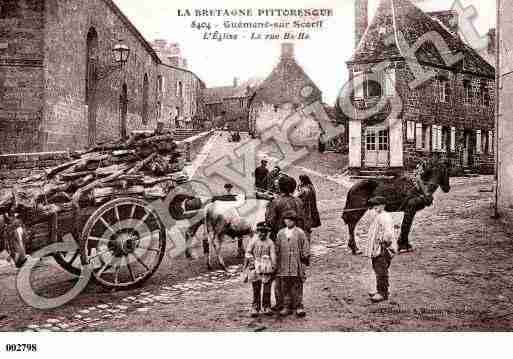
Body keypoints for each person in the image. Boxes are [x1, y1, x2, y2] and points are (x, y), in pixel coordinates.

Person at [274, 210, 310, 317]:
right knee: (285, 286)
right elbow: (277, 249)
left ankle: (299, 306)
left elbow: (305, 248)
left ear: (294, 221)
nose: (288, 222)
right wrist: (276, 261)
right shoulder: (280, 233)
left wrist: (303, 263)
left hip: (296, 264)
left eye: (291, 220)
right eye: (286, 220)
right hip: (284, 265)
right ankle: (286, 306)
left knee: (297, 285)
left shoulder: (300, 233)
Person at [242, 222, 277, 317]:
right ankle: (255, 307)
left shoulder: (270, 242)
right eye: (261, 231)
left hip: (266, 266)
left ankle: (266, 306)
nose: (263, 234)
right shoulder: (254, 240)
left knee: (267, 288)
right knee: (256, 288)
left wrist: (274, 265)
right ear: (257, 231)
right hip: (256, 265)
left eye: (265, 232)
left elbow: (273, 254)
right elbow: (248, 252)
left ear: (268, 232)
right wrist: (250, 261)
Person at [366, 196, 395, 303]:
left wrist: (384, 244)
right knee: (378, 269)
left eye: (377, 206)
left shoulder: (384, 217)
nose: (375, 208)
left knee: (381, 270)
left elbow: (388, 233)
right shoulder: (380, 216)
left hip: (382, 249)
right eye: (374, 206)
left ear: (383, 205)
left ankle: (383, 293)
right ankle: (380, 290)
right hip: (377, 248)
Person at [296, 175, 321, 242]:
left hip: (306, 209)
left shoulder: (305, 189)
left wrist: (299, 188)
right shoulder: (310, 186)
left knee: (305, 225)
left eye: (300, 180)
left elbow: (299, 197)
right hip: (310, 208)